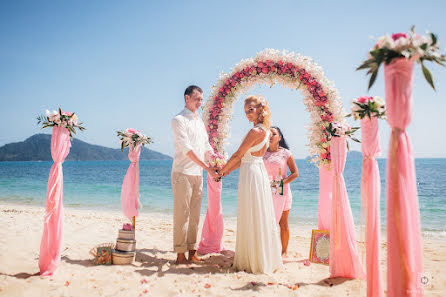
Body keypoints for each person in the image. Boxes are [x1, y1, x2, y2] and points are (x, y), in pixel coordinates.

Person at [217, 95, 283, 274]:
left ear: (260, 110)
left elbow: (239, 154)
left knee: (251, 213)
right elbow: (247, 157)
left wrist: (222, 170)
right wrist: (228, 170)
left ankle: (253, 260)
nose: (248, 115)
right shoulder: (267, 131)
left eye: (251, 110)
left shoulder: (255, 132)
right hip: (256, 170)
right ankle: (261, 257)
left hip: (251, 175)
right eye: (246, 111)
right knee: (257, 214)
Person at [171, 85, 219, 264]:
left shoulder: (199, 121)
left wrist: (215, 158)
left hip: (197, 174)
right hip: (182, 173)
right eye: (197, 99)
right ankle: (180, 254)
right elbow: (187, 150)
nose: (200, 102)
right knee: (181, 215)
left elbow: (206, 145)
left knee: (195, 215)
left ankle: (192, 252)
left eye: (201, 99)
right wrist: (208, 169)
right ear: (186, 98)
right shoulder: (178, 120)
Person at [263, 126, 299, 258]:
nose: (270, 136)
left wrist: (281, 183)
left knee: (283, 223)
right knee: (266, 221)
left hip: (282, 191)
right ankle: (267, 249)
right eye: (268, 134)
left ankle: (284, 251)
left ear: (280, 137)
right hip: (265, 191)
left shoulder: (286, 153)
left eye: (273, 134)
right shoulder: (262, 152)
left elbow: (295, 173)